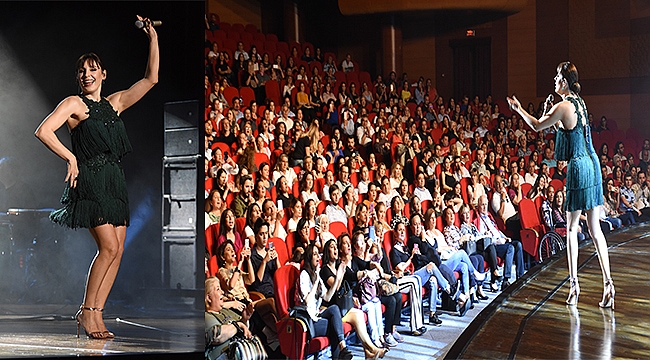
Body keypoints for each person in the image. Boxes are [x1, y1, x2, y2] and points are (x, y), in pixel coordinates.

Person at [34, 16, 158, 339]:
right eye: (81, 71)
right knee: (107, 246)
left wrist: (152, 37)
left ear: (103, 74)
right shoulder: (74, 104)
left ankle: (98, 313)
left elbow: (151, 79)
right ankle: (86, 311)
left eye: (92, 69)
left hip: (114, 181)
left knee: (118, 249)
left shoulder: (114, 103)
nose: (86, 74)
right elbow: (43, 130)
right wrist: (70, 155)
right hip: (89, 179)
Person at [507, 61, 614, 308]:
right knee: (595, 229)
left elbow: (535, 126)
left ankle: (574, 285)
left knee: (572, 228)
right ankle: (608, 284)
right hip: (593, 164)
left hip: (578, 167)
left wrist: (519, 109)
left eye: (556, 76)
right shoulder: (579, 102)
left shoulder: (563, 105)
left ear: (564, 81)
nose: (554, 80)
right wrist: (552, 118)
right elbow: (568, 130)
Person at [297, 243, 354, 360]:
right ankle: (341, 351)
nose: (318, 257)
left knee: (334, 309)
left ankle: (342, 348)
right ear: (309, 257)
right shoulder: (304, 275)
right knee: (335, 326)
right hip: (308, 320)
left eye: (319, 254)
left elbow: (327, 297)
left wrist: (338, 278)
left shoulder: (315, 274)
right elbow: (307, 301)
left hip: (317, 315)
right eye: (314, 254)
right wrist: (316, 281)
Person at [205, 277, 256, 360]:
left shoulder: (226, 311)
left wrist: (244, 320)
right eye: (218, 289)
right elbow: (217, 336)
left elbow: (244, 329)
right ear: (209, 298)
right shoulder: (206, 316)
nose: (222, 292)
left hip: (244, 352)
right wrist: (238, 325)